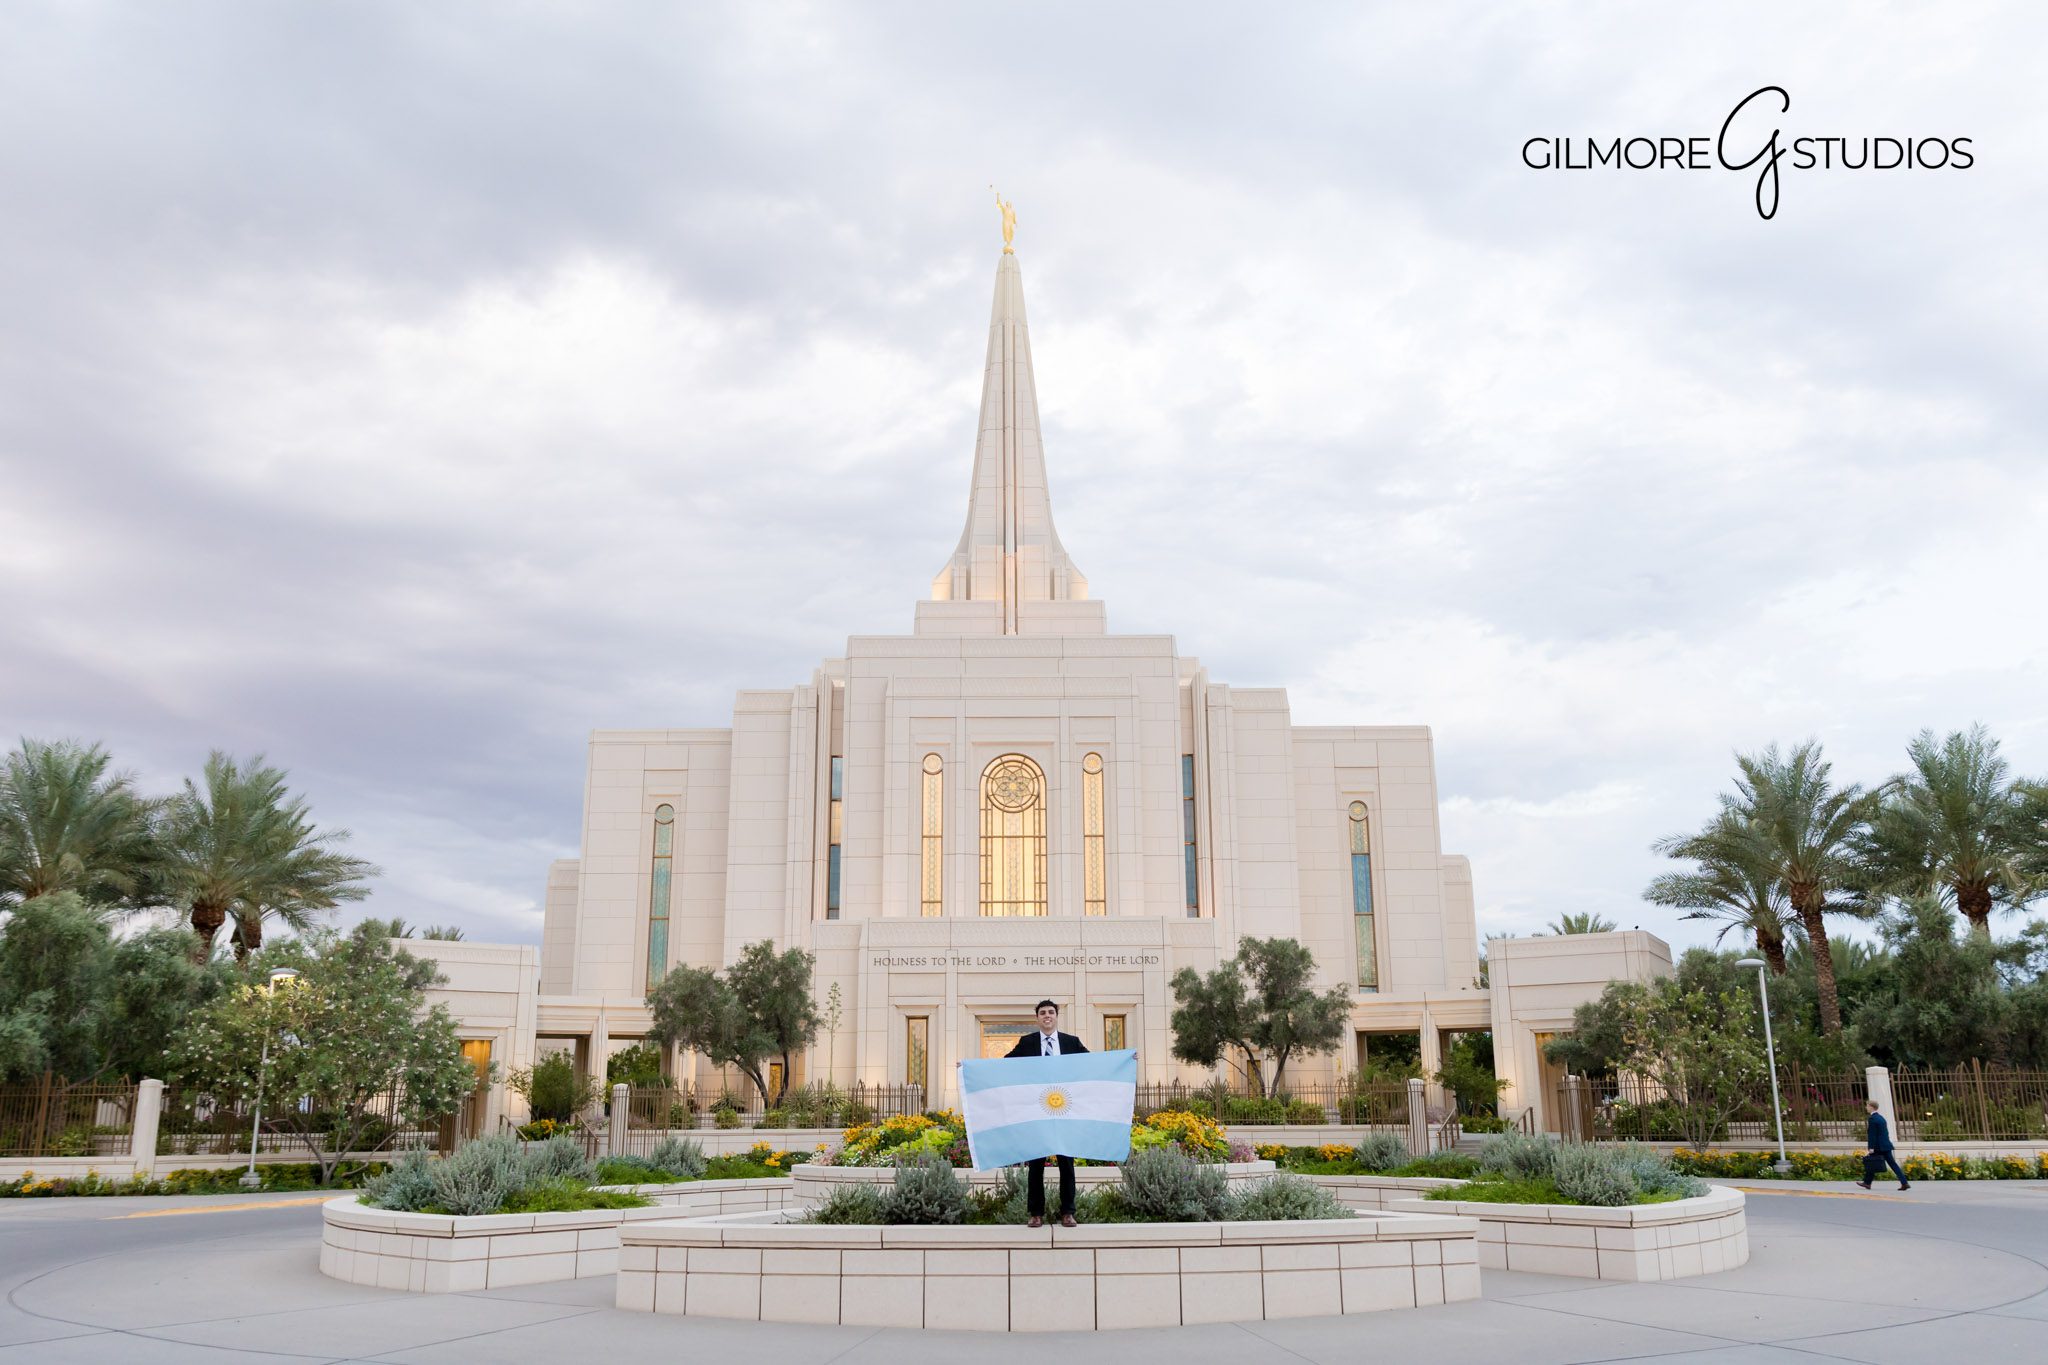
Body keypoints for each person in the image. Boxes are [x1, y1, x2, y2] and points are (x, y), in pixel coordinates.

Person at [1006, 998, 1088, 1227]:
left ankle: (1068, 1213)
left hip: (1064, 1112)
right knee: (1036, 1165)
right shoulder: (1027, 1043)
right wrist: (970, 1068)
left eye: (1051, 1012)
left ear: (1056, 1016)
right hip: (1037, 1112)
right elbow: (1004, 1066)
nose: (1047, 1015)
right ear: (1037, 1018)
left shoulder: (1071, 1043)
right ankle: (1035, 1213)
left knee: (1066, 1164)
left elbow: (1094, 1063)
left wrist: (1124, 1061)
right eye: (1042, 1012)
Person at [1858, 1099, 1909, 1191]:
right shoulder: (1881, 1118)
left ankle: (1867, 1183)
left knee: (1871, 1163)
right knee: (1893, 1165)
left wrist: (1871, 1147)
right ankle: (1904, 1182)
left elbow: (1872, 1135)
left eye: (1867, 1106)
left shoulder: (1872, 1119)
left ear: (1871, 1107)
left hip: (1878, 1147)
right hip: (1886, 1145)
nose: (1866, 1108)